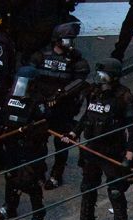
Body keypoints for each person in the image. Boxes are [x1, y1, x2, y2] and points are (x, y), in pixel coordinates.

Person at [62, 58, 133, 220]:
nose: (100, 79)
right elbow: (86, 116)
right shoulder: (94, 92)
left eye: (103, 75)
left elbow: (132, 128)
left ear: (113, 77)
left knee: (115, 191)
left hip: (112, 150)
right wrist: (74, 133)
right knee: (88, 186)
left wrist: (129, 153)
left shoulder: (125, 97)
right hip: (92, 148)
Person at [29, 23, 90, 191]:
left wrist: (61, 94)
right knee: (38, 141)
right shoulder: (42, 55)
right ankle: (39, 171)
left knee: (62, 142)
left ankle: (57, 174)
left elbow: (80, 79)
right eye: (66, 39)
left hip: (63, 107)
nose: (69, 43)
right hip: (42, 106)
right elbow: (31, 77)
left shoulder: (75, 58)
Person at [0, 66, 50, 220]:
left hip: (31, 148)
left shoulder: (38, 102)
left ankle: (38, 214)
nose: (21, 85)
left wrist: (32, 131)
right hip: (11, 144)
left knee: (30, 180)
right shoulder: (10, 97)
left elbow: (45, 127)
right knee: (10, 176)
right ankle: (9, 206)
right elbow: (0, 117)